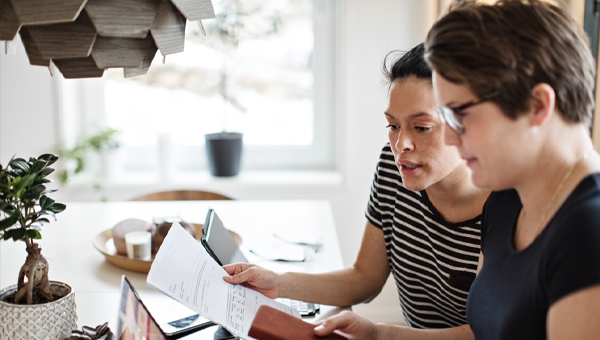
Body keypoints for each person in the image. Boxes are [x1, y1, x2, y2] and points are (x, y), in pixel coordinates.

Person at [314, 1, 600, 339]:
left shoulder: (588, 229)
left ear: (537, 106)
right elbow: (481, 334)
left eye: (460, 116)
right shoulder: (506, 200)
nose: (449, 136)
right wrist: (379, 335)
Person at [223, 43, 490, 335]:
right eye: (393, 126)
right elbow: (365, 277)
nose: (401, 145)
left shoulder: (505, 203)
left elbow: (486, 333)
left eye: (421, 127)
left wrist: (379, 334)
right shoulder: (394, 166)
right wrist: (278, 282)